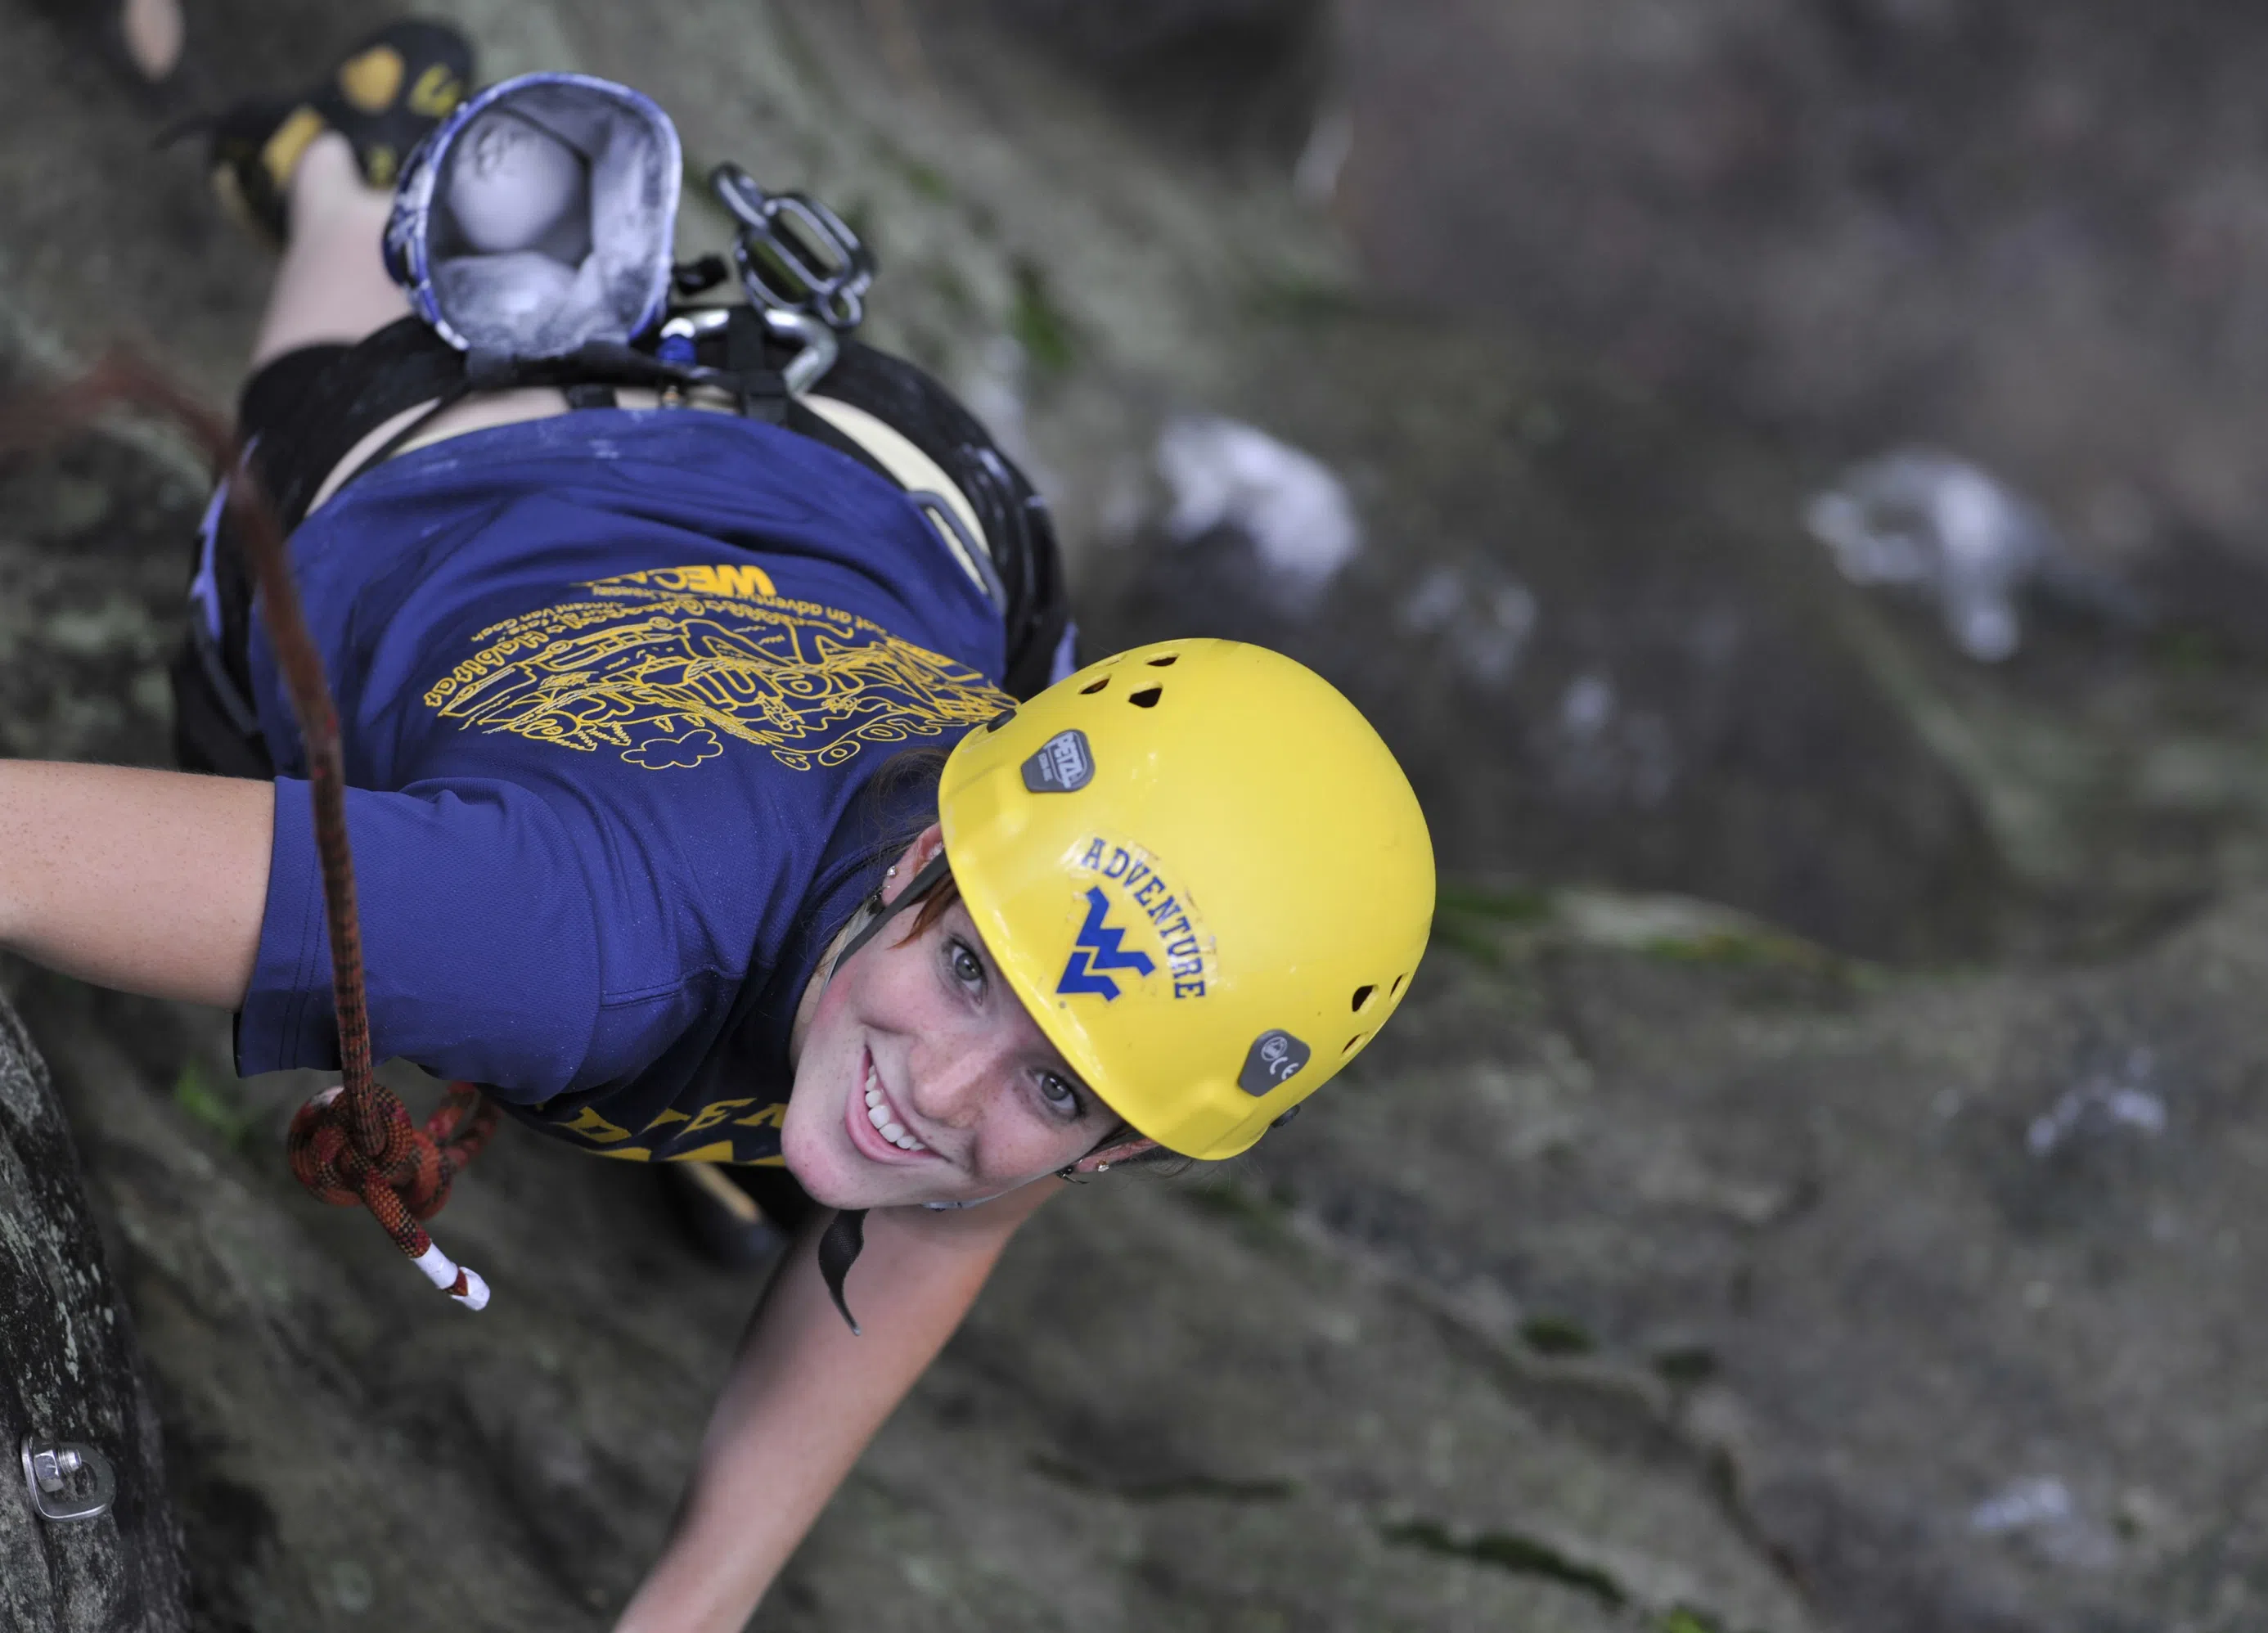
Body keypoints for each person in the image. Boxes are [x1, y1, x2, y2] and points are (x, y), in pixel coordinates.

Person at [1, 22, 1436, 1630]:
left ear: (1129, 1146)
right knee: (286, 516)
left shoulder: (1057, 952)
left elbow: (950, 1203)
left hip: (873, 493)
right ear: (916, 861)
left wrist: (690, 1605)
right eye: (966, 974)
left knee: (917, 1099)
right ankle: (349, 176)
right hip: (452, 472)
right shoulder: (569, 947)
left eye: (1056, 1083)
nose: (952, 1088)